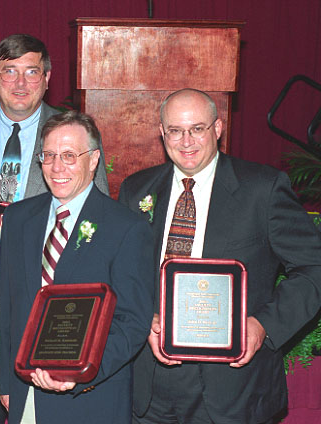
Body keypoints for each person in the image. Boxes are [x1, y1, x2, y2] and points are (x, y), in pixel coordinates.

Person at [117, 88, 321, 424]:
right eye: (175, 131)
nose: (186, 141)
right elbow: (121, 275)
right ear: (161, 133)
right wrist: (142, 319)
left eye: (197, 128)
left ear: (217, 129)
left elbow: (314, 267)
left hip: (234, 386)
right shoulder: (137, 189)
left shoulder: (263, 188)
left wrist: (263, 326)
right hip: (149, 384)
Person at [0, 110, 154, 424]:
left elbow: (132, 322)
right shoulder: (16, 219)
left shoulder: (126, 228)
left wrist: (81, 373)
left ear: (93, 159)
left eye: (69, 155)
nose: (57, 167)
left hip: (91, 399)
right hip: (23, 393)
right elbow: (5, 306)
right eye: (50, 155)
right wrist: (4, 379)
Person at [0, 34, 109, 220]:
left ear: (46, 78)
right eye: (10, 71)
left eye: (31, 72)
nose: (20, 83)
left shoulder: (78, 136)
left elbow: (99, 210)